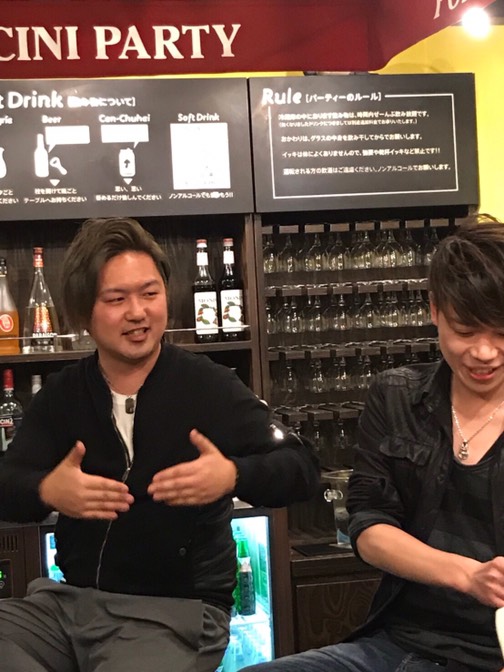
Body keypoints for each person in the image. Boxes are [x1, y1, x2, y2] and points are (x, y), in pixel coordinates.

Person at [0, 216, 320, 672]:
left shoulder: (208, 385)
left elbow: (302, 466)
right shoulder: (63, 394)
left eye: (150, 294)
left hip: (178, 613)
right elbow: (8, 482)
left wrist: (233, 475)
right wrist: (47, 490)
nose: (138, 312)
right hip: (70, 605)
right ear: (83, 311)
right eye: (117, 299)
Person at [241, 215, 504, 672]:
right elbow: (368, 526)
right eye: (465, 331)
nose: (484, 352)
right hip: (400, 643)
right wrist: (468, 575)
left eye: (502, 333)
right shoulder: (396, 394)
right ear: (434, 310)